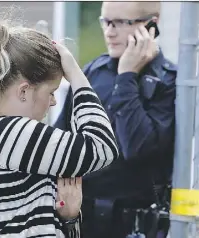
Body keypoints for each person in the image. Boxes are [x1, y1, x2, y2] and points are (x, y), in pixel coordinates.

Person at [0, 20, 120, 238]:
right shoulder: (3, 133)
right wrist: (78, 78)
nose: (53, 102)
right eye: (51, 92)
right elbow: (102, 146)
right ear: (24, 91)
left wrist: (68, 219)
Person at [54, 2, 176, 237]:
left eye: (120, 23)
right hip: (83, 221)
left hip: (136, 226)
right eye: (105, 21)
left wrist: (127, 76)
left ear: (151, 25)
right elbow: (62, 141)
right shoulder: (94, 72)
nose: (109, 31)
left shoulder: (168, 82)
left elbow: (137, 148)